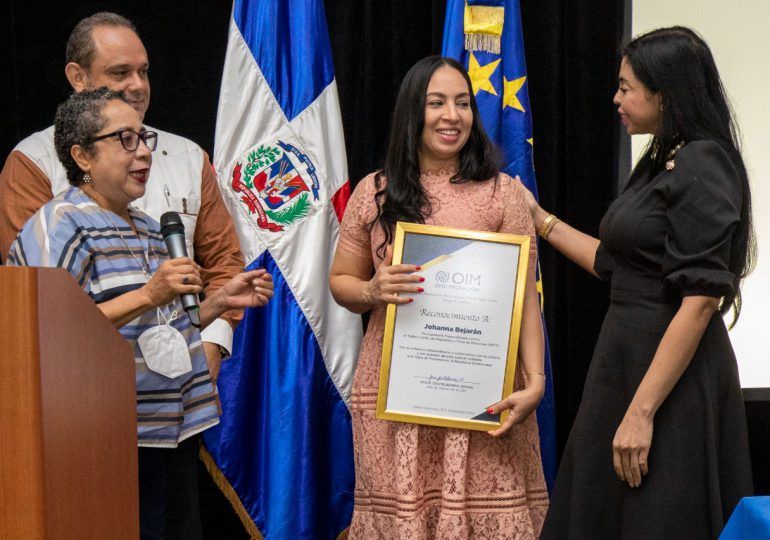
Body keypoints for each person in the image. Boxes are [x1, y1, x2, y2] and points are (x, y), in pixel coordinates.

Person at [6, 88, 274, 539]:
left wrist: (218, 301)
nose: (145, 151)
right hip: (108, 444)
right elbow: (42, 334)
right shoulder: (60, 224)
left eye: (144, 137)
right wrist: (151, 293)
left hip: (176, 433)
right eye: (125, 139)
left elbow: (161, 327)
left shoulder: (151, 227)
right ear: (82, 156)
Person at [530, 27, 754, 539]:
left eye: (626, 87)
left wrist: (640, 412)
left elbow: (699, 301)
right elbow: (615, 265)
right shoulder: (660, 159)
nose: (617, 98)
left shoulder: (702, 159)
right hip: (626, 365)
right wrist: (540, 219)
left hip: (667, 382)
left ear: (664, 92)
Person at [329, 56, 549, 538]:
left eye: (463, 103)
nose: (452, 115)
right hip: (395, 389)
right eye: (437, 103)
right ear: (413, 111)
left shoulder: (503, 195)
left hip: (483, 389)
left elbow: (524, 297)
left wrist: (536, 380)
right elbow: (341, 281)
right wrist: (371, 289)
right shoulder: (375, 191)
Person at [0, 12, 242, 380]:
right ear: (77, 77)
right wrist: (149, 295)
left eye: (143, 72)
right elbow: (35, 301)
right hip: (81, 387)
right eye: (120, 73)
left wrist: (211, 342)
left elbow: (223, 261)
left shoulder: (187, 156)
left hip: (175, 393)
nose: (137, 85)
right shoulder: (32, 161)